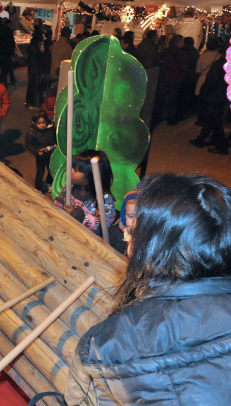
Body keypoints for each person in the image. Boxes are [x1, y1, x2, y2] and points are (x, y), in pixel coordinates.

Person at [65, 173, 231, 405]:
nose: (128, 241)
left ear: (154, 251)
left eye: (134, 234)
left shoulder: (103, 344)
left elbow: (79, 400)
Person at [53, 150, 116, 238]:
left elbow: (104, 228)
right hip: (65, 232)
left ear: (90, 177)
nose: (70, 171)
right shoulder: (69, 188)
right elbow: (58, 203)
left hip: (86, 241)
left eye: (76, 170)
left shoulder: (104, 199)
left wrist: (82, 217)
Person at [24, 110, 55, 194]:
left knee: (51, 169)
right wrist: (37, 151)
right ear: (35, 123)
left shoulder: (51, 128)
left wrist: (54, 145)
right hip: (40, 155)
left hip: (51, 154)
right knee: (40, 171)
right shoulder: (32, 132)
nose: (42, 125)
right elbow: (28, 145)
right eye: (39, 123)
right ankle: (38, 188)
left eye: (43, 122)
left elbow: (53, 138)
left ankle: (49, 183)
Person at [107, 188, 139, 255]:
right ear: (124, 215)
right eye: (131, 216)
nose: (135, 222)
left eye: (141, 217)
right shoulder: (114, 233)